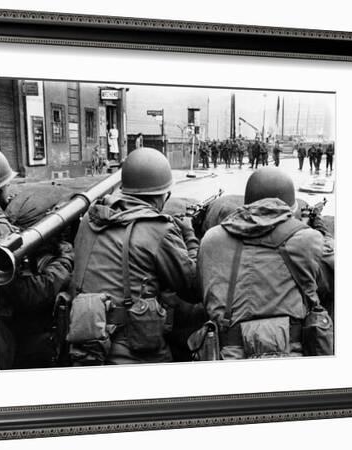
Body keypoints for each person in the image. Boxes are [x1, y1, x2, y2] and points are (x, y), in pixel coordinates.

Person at [69, 147, 199, 365]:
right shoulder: (157, 229)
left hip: (86, 341)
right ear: (162, 195)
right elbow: (192, 288)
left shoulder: (90, 219)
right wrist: (190, 236)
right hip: (133, 348)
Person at [198, 167, 334, 359]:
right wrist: (317, 228)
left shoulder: (211, 239)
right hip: (292, 354)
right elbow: (332, 276)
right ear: (291, 208)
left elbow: (203, 290)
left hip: (227, 355)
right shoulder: (308, 240)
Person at [0, 151, 74, 369]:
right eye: (5, 186)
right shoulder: (2, 231)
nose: (9, 194)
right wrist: (65, 261)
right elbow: (28, 294)